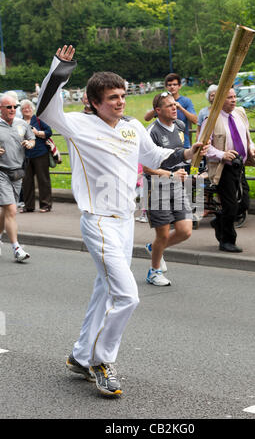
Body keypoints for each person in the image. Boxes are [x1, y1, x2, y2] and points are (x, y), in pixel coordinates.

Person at [36, 44, 206, 398]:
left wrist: (189, 153)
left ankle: (81, 356)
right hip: (97, 221)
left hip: (125, 220)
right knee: (127, 296)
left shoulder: (132, 127)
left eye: (123, 95)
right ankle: (101, 361)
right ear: (94, 102)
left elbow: (156, 155)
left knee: (104, 291)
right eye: (112, 97)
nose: (120, 102)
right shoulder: (76, 125)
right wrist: (60, 68)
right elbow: (44, 107)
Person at [143, 92, 208, 286]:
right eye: (169, 105)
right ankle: (154, 272)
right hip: (157, 186)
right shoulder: (151, 132)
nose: (175, 108)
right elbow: (146, 167)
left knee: (185, 231)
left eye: (175, 104)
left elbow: (183, 154)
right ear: (158, 110)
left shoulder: (180, 126)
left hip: (178, 184)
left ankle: (155, 248)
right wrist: (169, 175)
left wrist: (193, 165)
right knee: (162, 235)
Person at [201, 88, 255, 253]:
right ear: (220, 100)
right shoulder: (211, 119)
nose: (233, 100)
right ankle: (227, 240)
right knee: (231, 205)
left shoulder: (240, 114)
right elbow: (203, 146)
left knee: (244, 203)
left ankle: (219, 220)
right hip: (223, 168)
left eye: (234, 97)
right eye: (229, 97)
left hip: (239, 166)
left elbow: (247, 137)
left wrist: (252, 148)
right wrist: (222, 154)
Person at [0, 94, 35, 262]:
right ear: (1, 109)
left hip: (17, 172)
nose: (13, 109)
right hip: (1, 173)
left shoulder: (22, 124)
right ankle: (16, 248)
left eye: (15, 106)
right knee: (12, 210)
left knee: (6, 211)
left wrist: (30, 144)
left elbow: (32, 138)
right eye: (9, 107)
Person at [144, 73, 197, 148]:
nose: (172, 87)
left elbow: (195, 120)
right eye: (169, 85)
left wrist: (181, 108)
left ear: (179, 86)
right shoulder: (162, 101)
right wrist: (159, 107)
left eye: (175, 84)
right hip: (166, 144)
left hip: (183, 144)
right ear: (166, 87)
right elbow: (146, 118)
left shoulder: (186, 101)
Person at [20, 99, 52, 213]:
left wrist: (37, 133)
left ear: (32, 109)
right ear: (21, 111)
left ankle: (45, 205)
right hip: (25, 155)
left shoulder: (38, 120)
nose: (27, 110)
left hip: (40, 153)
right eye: (24, 108)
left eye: (29, 108)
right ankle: (28, 206)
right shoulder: (19, 122)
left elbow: (49, 132)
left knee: (43, 180)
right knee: (26, 181)